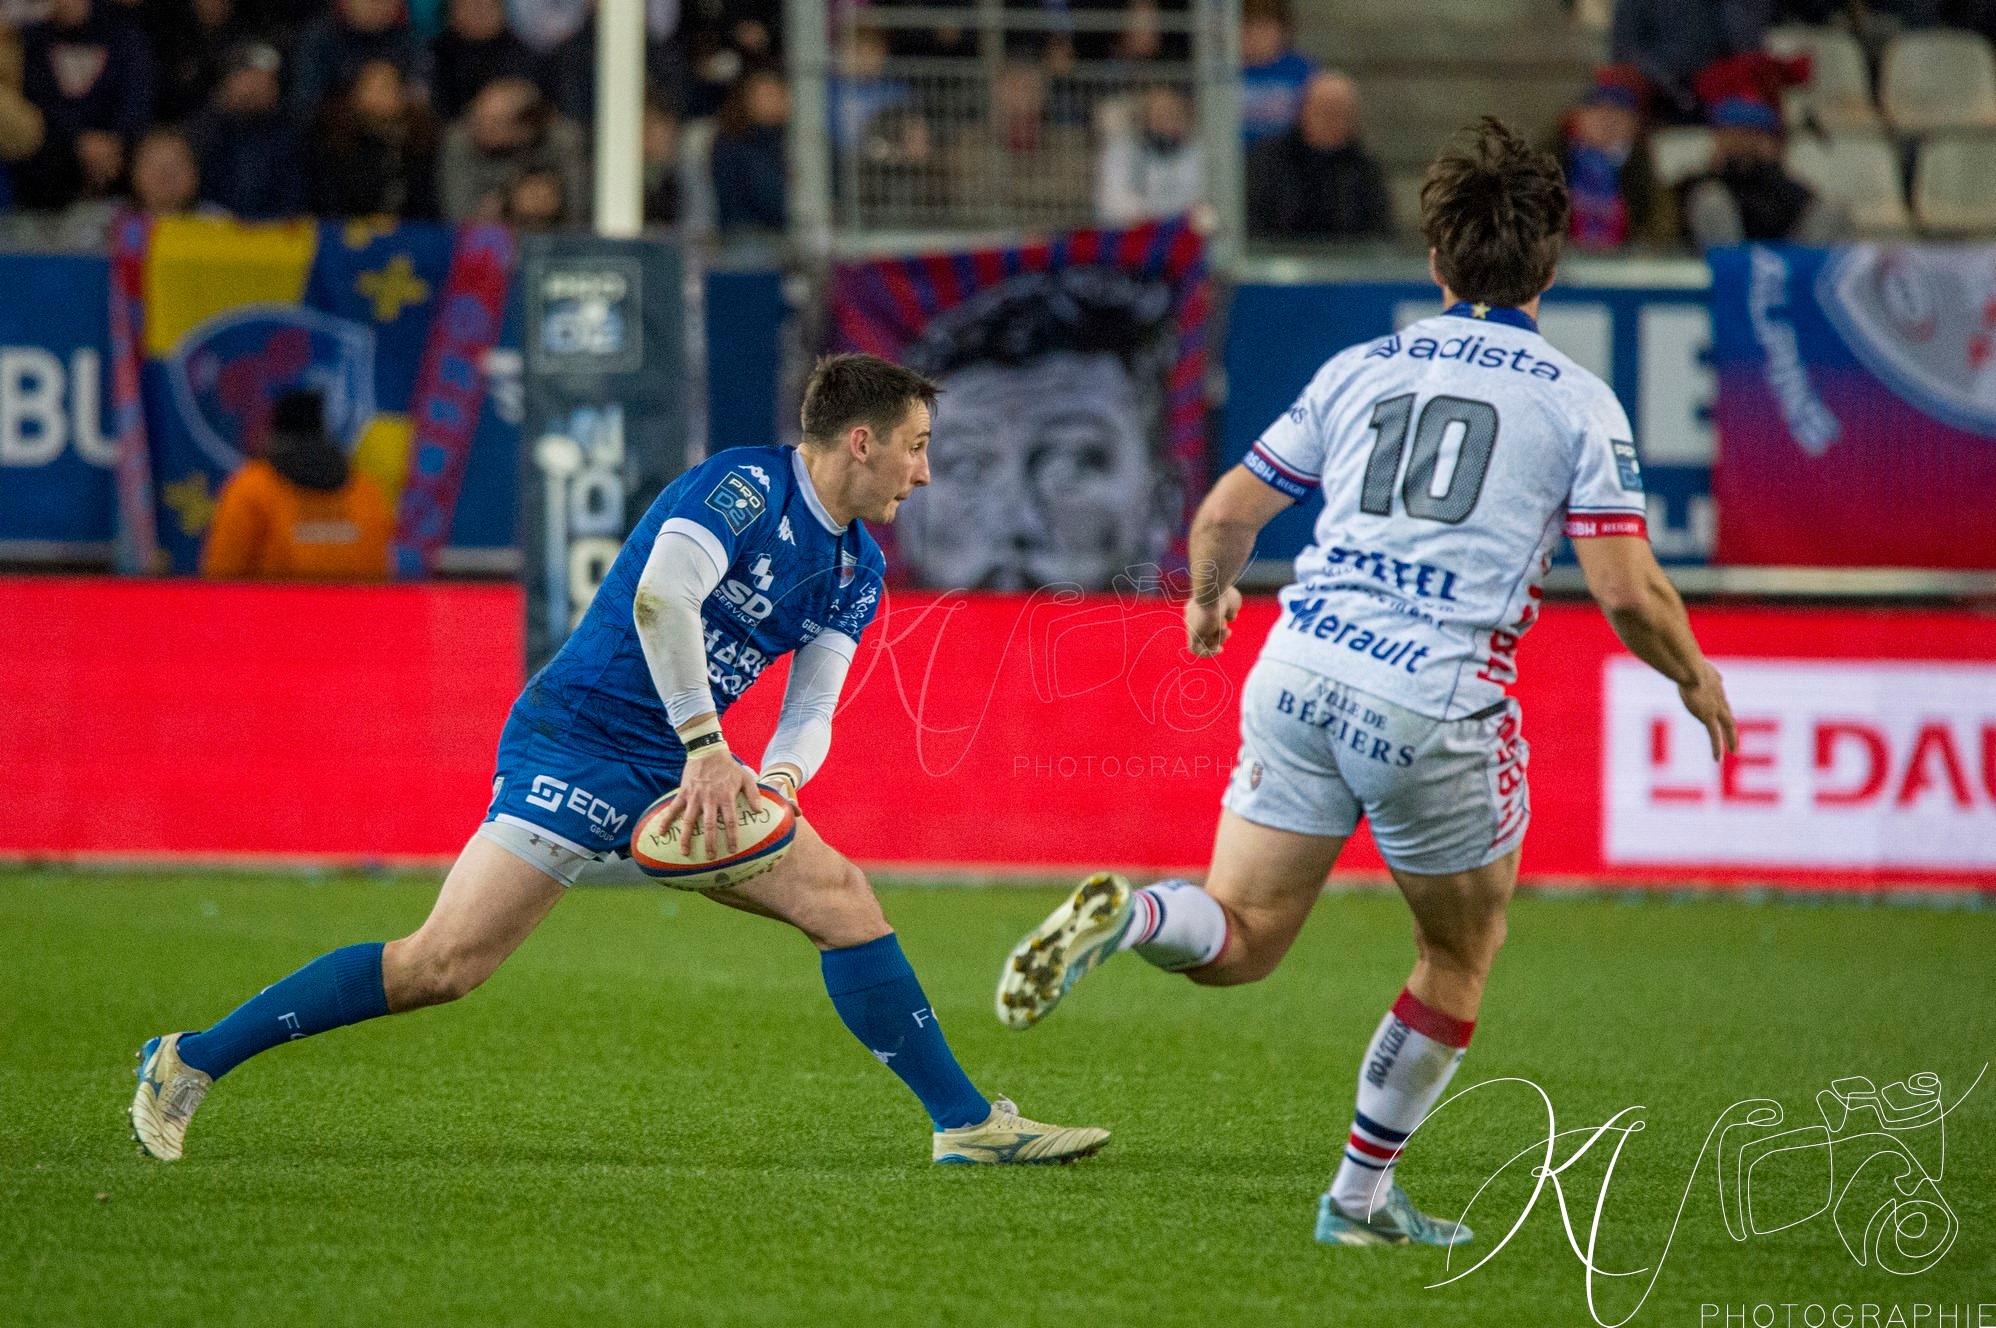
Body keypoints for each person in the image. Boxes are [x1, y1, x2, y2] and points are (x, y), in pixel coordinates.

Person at [995, 119, 1738, 1246]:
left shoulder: (1362, 368)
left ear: (1435, 264)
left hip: (1298, 664)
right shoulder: (1575, 399)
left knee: (1236, 936)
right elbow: (1626, 589)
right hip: (1428, 698)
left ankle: (1137, 912)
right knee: (1454, 954)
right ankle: (1355, 1200)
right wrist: (1693, 675)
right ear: (1549, 266)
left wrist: (1203, 601)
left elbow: (1226, 513)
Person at [134, 353, 1110, 1170]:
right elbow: (659, 601)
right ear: (863, 440)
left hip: (697, 776)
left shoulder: (856, 566)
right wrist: (706, 746)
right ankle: (189, 1058)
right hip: (581, 742)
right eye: (918, 445)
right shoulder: (741, 487)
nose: (925, 472)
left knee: (843, 898)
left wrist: (773, 784)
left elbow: (814, 703)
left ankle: (964, 1123)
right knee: (443, 964)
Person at [198, 390, 394, 581]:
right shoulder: (364, 490)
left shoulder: (251, 489)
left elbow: (219, 578)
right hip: (355, 612)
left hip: (273, 613)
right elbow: (382, 573)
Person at [13, 0, 153, 209]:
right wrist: (77, 140)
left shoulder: (125, 36)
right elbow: (34, 103)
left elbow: (138, 99)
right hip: (51, 157)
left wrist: (115, 142)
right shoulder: (31, 39)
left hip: (118, 156)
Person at [1679, 94, 1846, 246]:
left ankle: (1808, 275)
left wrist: (1768, 167)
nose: (1739, 142)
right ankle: (1732, 272)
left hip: (1782, 259)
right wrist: (1722, 169)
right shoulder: (1706, 179)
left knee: (1831, 207)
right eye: (1732, 135)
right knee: (1711, 199)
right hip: (1731, 263)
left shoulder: (1779, 182)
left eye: (1748, 135)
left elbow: (1782, 214)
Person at [1245, 70, 1392, 240]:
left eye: (1340, 113)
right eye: (1324, 111)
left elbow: (1381, 234)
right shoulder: (1268, 162)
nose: (1331, 121)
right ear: (1304, 111)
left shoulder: (1365, 170)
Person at [182, 39, 306, 219]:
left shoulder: (290, 137)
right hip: (206, 231)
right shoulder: (199, 130)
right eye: (249, 74)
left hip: (268, 235)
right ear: (228, 79)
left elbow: (293, 199)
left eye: (267, 79)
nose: (256, 85)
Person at [437, 74, 584, 221]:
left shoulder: (562, 140)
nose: (479, 128)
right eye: (476, 117)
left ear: (526, 128)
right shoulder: (460, 140)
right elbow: (458, 215)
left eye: (494, 123)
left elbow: (578, 208)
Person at [309, 58, 439, 218]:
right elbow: (330, 203)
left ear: (402, 95)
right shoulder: (336, 141)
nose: (377, 96)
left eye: (385, 87)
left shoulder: (419, 141)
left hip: (406, 234)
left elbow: (426, 204)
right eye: (370, 88)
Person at [290, 0, 433, 123]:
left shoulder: (411, 41)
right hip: (333, 140)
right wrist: (356, 105)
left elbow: (421, 98)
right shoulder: (320, 39)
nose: (376, 5)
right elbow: (306, 102)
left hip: (397, 134)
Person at [1094, 83, 1203, 225]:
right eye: (1159, 116)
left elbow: (1201, 198)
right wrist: (1152, 215)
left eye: (1174, 115)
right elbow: (1111, 202)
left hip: (1183, 232)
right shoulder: (1122, 151)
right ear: (1145, 119)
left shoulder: (1198, 152)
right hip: (1135, 233)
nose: (1167, 124)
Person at [429, 0, 537, 120]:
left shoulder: (523, 51)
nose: (480, 12)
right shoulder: (438, 51)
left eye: (488, 6)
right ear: (452, 12)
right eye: (472, 6)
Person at [710, 64, 786, 232]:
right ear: (747, 100)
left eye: (779, 93)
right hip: (747, 234)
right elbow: (764, 197)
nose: (776, 100)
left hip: (789, 232)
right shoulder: (731, 144)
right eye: (767, 94)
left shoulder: (795, 140)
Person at [1239, 0, 1313, 144]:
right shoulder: (1218, 71)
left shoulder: (1302, 70)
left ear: (1284, 29)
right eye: (1247, 25)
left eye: (1264, 25)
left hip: (1287, 159)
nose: (1255, 34)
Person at [128, 125, 203, 215]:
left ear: (195, 174)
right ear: (135, 173)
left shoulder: (215, 222)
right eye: (154, 166)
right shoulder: (112, 219)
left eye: (176, 165)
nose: (165, 175)